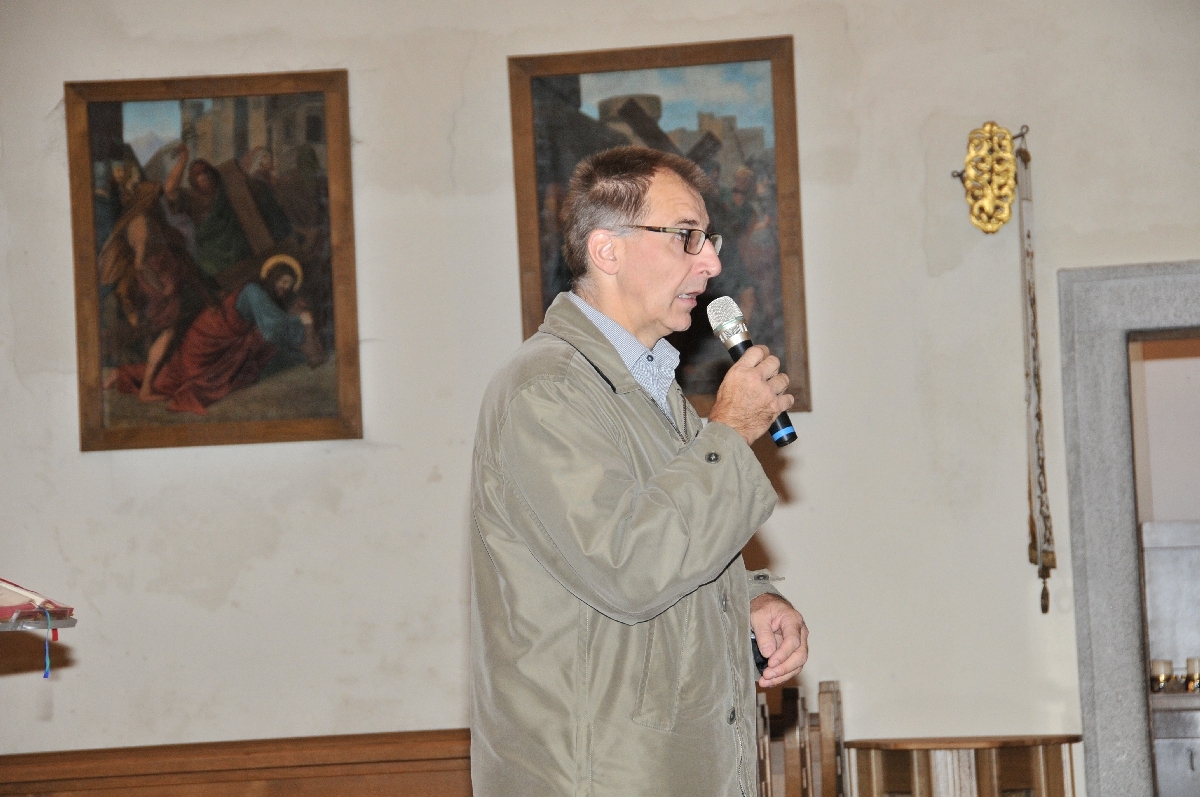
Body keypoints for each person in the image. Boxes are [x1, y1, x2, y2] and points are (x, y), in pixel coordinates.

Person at [470, 146, 808, 796]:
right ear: (608, 250)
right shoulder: (547, 391)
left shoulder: (649, 384)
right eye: (685, 236)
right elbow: (629, 566)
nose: (711, 263)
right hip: (600, 775)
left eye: (709, 239)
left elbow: (672, 539)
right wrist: (728, 433)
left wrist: (750, 600)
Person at [107, 254, 325, 415]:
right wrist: (302, 322)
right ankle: (126, 375)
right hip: (208, 338)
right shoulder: (254, 291)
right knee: (182, 376)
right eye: (282, 280)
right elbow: (273, 329)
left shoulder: (265, 299)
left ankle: (123, 374)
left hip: (221, 341)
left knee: (174, 375)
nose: (284, 287)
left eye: (289, 284)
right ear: (271, 277)